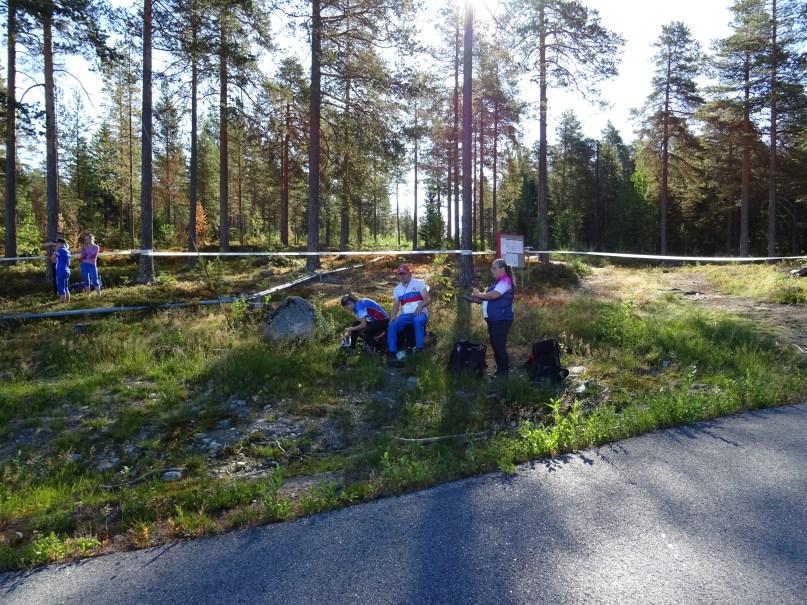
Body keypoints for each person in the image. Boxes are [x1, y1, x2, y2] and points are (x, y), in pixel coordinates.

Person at [471, 258, 515, 378]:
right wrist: (476, 299)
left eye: (494, 268)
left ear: (502, 269)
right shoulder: (497, 282)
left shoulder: (505, 281)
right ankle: (499, 371)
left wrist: (479, 294)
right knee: (495, 345)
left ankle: (504, 374)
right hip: (495, 319)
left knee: (499, 346)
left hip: (501, 319)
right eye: (492, 268)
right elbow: (489, 298)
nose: (492, 270)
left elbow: (495, 295)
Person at [387, 264, 430, 361]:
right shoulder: (397, 289)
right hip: (405, 315)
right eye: (400, 274)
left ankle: (419, 349)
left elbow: (427, 300)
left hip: (420, 313)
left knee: (417, 321)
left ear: (410, 274)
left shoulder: (419, 284)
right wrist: (392, 317)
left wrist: (420, 305)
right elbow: (396, 305)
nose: (402, 276)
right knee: (392, 325)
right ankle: (392, 352)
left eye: (404, 274)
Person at [49, 238, 72, 303]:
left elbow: (52, 258)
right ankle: (67, 303)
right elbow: (69, 263)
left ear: (61, 243)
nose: (56, 245)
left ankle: (60, 304)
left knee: (61, 289)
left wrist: (56, 250)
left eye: (57, 243)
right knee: (66, 287)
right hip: (67, 270)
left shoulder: (60, 250)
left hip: (61, 271)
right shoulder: (68, 251)